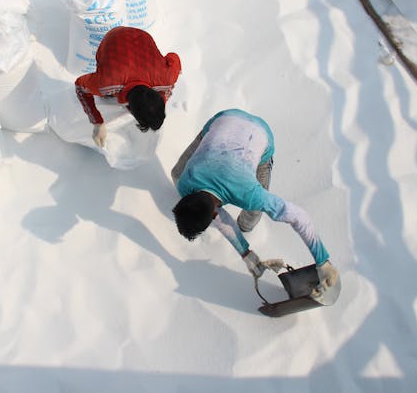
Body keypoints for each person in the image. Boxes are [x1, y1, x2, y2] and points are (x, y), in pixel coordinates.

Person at [171, 108, 339, 297]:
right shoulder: (185, 182)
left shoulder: (250, 194)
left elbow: (298, 216)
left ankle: (246, 226)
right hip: (223, 118)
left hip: (259, 133)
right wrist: (246, 253)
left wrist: (323, 260)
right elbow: (217, 215)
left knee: (251, 217)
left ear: (213, 214)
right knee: (176, 174)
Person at [74, 26, 181, 148]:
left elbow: (174, 57)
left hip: (143, 37)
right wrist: (97, 122)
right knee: (106, 94)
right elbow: (79, 86)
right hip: (115, 36)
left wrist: (158, 104)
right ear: (130, 108)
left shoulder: (167, 77)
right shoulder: (106, 83)